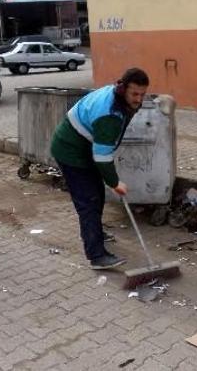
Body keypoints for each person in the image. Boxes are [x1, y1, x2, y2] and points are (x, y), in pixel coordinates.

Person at [50, 68, 149, 269]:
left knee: (97, 194)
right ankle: (96, 256)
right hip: (71, 151)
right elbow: (102, 158)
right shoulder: (109, 114)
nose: (139, 99)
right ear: (122, 89)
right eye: (134, 94)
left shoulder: (118, 97)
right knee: (88, 201)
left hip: (86, 147)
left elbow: (103, 149)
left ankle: (96, 231)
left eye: (142, 94)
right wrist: (115, 183)